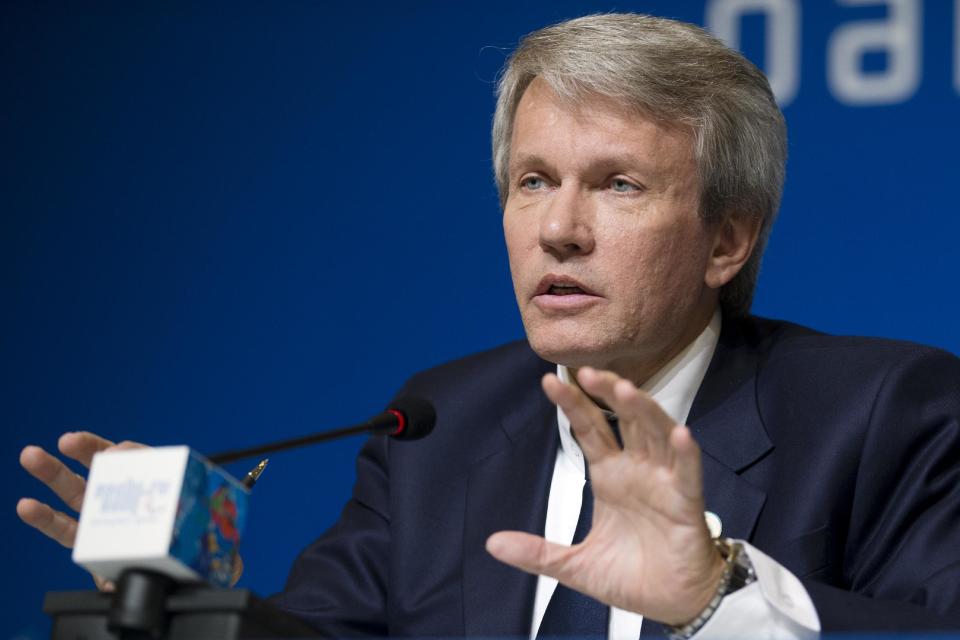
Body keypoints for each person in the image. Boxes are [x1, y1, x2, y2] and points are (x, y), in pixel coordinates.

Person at [18, 13, 960, 638]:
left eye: (619, 184)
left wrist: (717, 595)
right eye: (534, 182)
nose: (559, 229)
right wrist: (178, 598)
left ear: (728, 238)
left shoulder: (880, 411)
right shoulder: (438, 423)